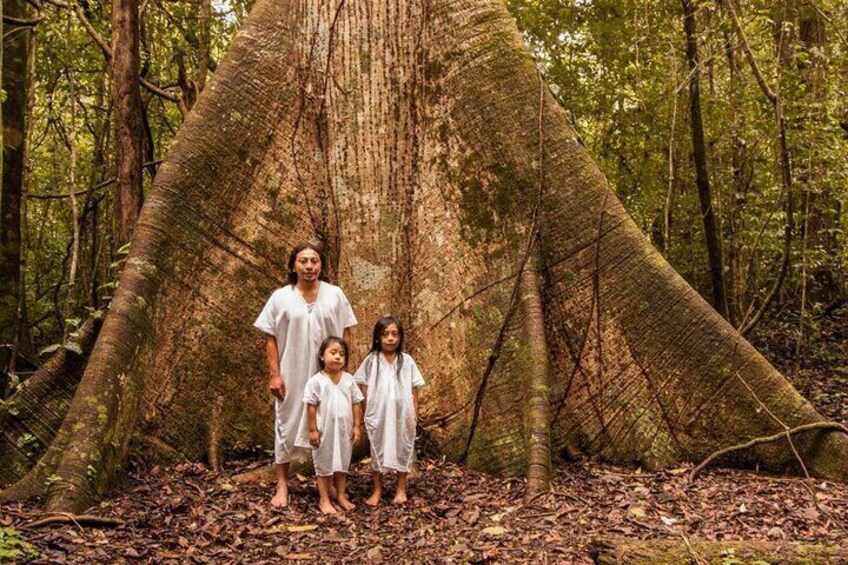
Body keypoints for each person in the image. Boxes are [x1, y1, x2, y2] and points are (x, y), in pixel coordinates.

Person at [254, 243, 357, 507]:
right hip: (292, 370)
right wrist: (275, 375)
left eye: (314, 261)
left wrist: (343, 366)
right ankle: (282, 483)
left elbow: (346, 331)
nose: (309, 266)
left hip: (330, 373)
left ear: (321, 265)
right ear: (293, 265)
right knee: (286, 423)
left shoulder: (335, 294)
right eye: (303, 261)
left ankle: (332, 485)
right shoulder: (280, 297)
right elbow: (270, 338)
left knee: (331, 424)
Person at [354, 316, 425, 505]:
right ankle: (377, 490)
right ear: (378, 337)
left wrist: (414, 413)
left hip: (403, 414)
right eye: (385, 334)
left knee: (404, 446)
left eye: (395, 334)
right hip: (378, 414)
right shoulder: (371, 360)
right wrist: (366, 411)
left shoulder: (407, 360)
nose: (390, 338)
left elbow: (414, 388)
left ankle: (401, 489)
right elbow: (363, 385)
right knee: (377, 448)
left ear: (400, 337)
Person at [295, 337, 363, 514]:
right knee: (324, 465)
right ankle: (324, 499)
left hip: (344, 432)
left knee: (342, 465)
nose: (338, 357)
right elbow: (311, 406)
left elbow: (356, 403)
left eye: (342, 354)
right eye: (333, 353)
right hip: (324, 432)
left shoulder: (349, 380)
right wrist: (312, 430)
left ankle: (340, 495)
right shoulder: (316, 381)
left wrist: (356, 426)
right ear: (322, 356)